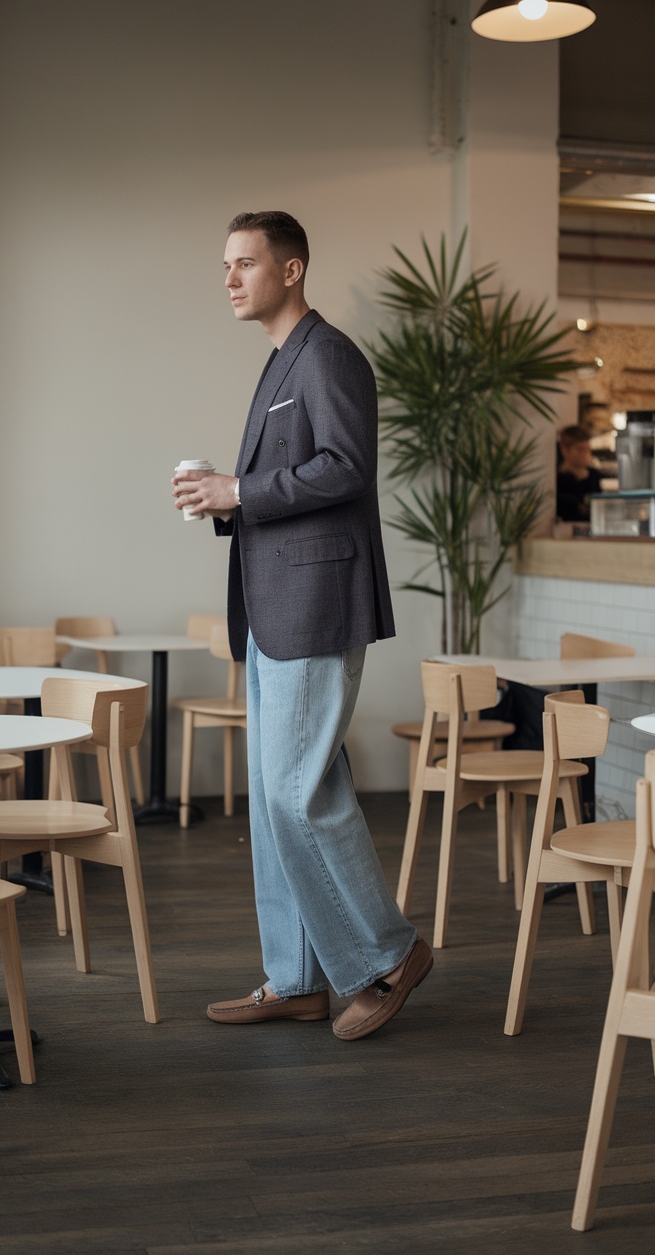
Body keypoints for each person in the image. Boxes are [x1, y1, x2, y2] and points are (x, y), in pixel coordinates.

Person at [172, 210, 431, 1041]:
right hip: (277, 608)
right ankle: (296, 977)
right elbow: (294, 474)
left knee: (299, 794)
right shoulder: (284, 362)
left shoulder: (328, 356)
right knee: (277, 797)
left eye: (245, 263)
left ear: (292, 270)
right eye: (225, 265)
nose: (230, 279)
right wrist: (224, 489)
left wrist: (240, 492)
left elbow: (349, 468)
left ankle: (389, 955)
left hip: (315, 607)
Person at [556, 424, 603, 523]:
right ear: (565, 450)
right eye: (581, 449)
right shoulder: (557, 479)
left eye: (588, 449)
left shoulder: (594, 476)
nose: (586, 454)